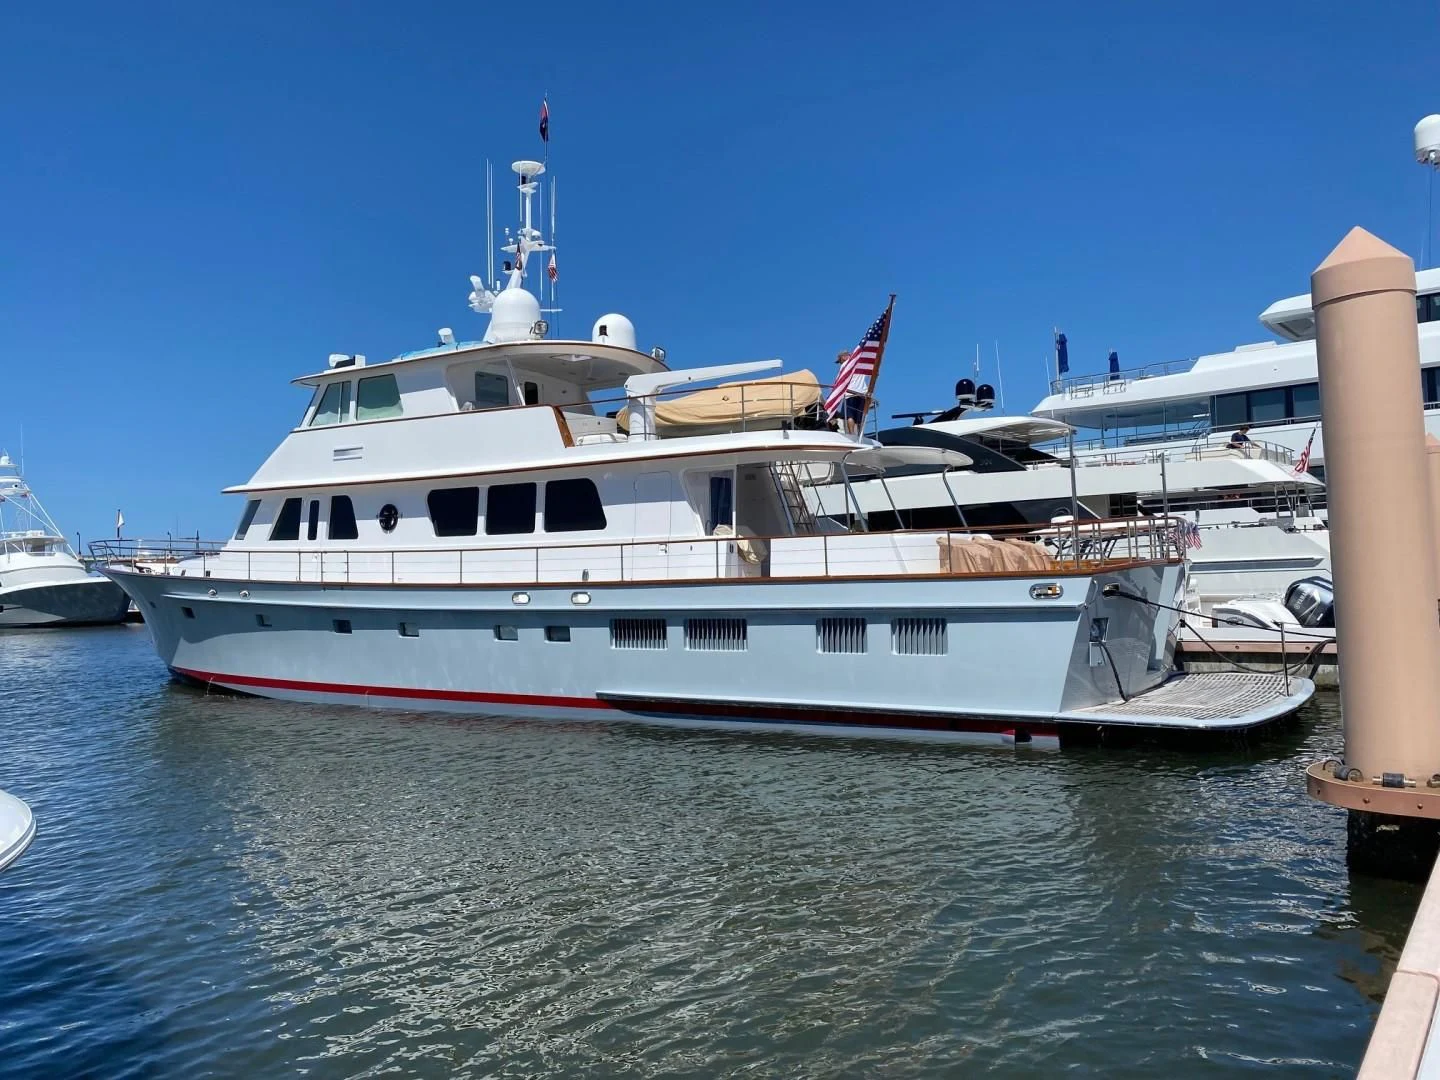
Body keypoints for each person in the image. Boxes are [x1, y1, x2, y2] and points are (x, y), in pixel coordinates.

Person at [834, 350, 867, 436]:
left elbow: (839, 381)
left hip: (850, 393)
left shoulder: (844, 366)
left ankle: (852, 434)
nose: (840, 363)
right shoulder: (859, 363)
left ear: (844, 357)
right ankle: (860, 435)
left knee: (850, 416)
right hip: (862, 393)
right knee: (860, 417)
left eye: (840, 361)